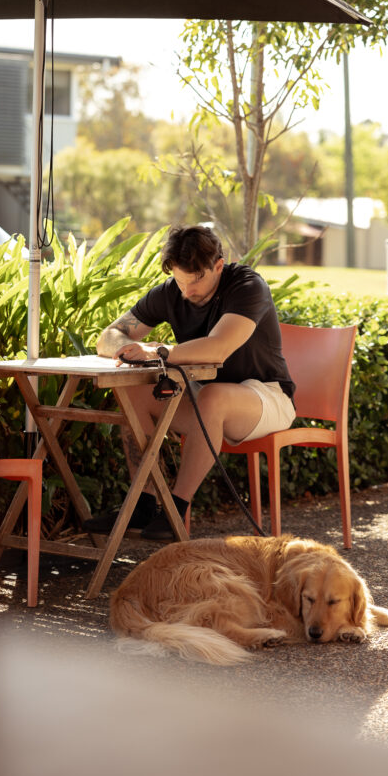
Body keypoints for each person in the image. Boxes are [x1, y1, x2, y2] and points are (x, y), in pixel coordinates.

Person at [85, 224, 296, 540]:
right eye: (180, 280)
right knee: (132, 389)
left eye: (195, 280)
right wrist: (127, 351)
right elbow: (108, 336)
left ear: (218, 266)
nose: (187, 291)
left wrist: (155, 350)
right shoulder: (172, 291)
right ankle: (143, 504)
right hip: (204, 396)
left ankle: (175, 510)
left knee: (213, 396)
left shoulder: (247, 286)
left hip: (266, 396)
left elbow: (218, 348)